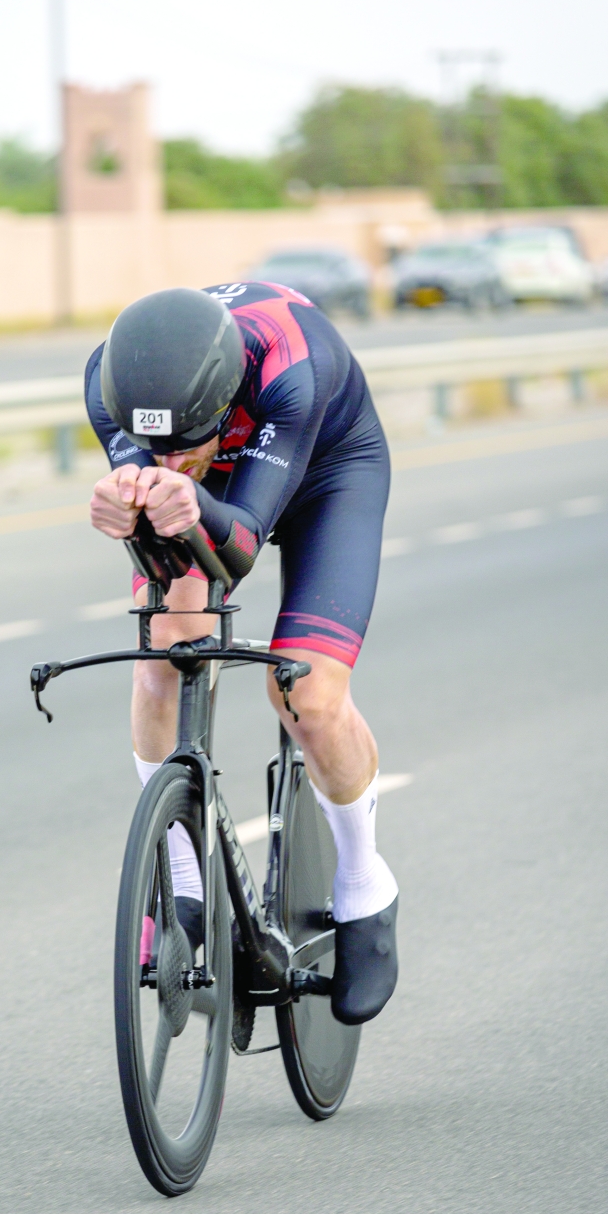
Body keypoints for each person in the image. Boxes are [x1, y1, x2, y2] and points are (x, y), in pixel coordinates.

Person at [84, 282, 397, 1025]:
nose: (163, 458)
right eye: (146, 443)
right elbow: (161, 502)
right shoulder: (110, 377)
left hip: (327, 472)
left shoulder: (293, 369)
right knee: (164, 649)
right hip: (219, 481)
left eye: (177, 446)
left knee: (307, 696)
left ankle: (364, 882)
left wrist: (186, 498)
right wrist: (126, 502)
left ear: (223, 408)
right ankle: (182, 874)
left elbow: (241, 546)